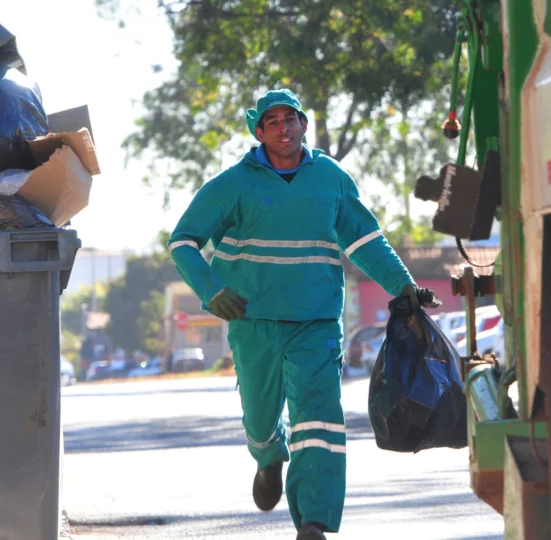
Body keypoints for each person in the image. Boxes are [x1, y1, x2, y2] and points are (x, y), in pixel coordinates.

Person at [168, 89, 433, 540]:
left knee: (319, 417)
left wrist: (403, 285)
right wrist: (212, 293)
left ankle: (314, 520)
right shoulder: (234, 184)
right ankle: (268, 458)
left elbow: (366, 240)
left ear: (303, 125)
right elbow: (183, 241)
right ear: (259, 132)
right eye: (272, 122)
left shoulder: (330, 178)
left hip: (316, 320)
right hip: (254, 320)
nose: (283, 128)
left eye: (290, 119)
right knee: (259, 415)